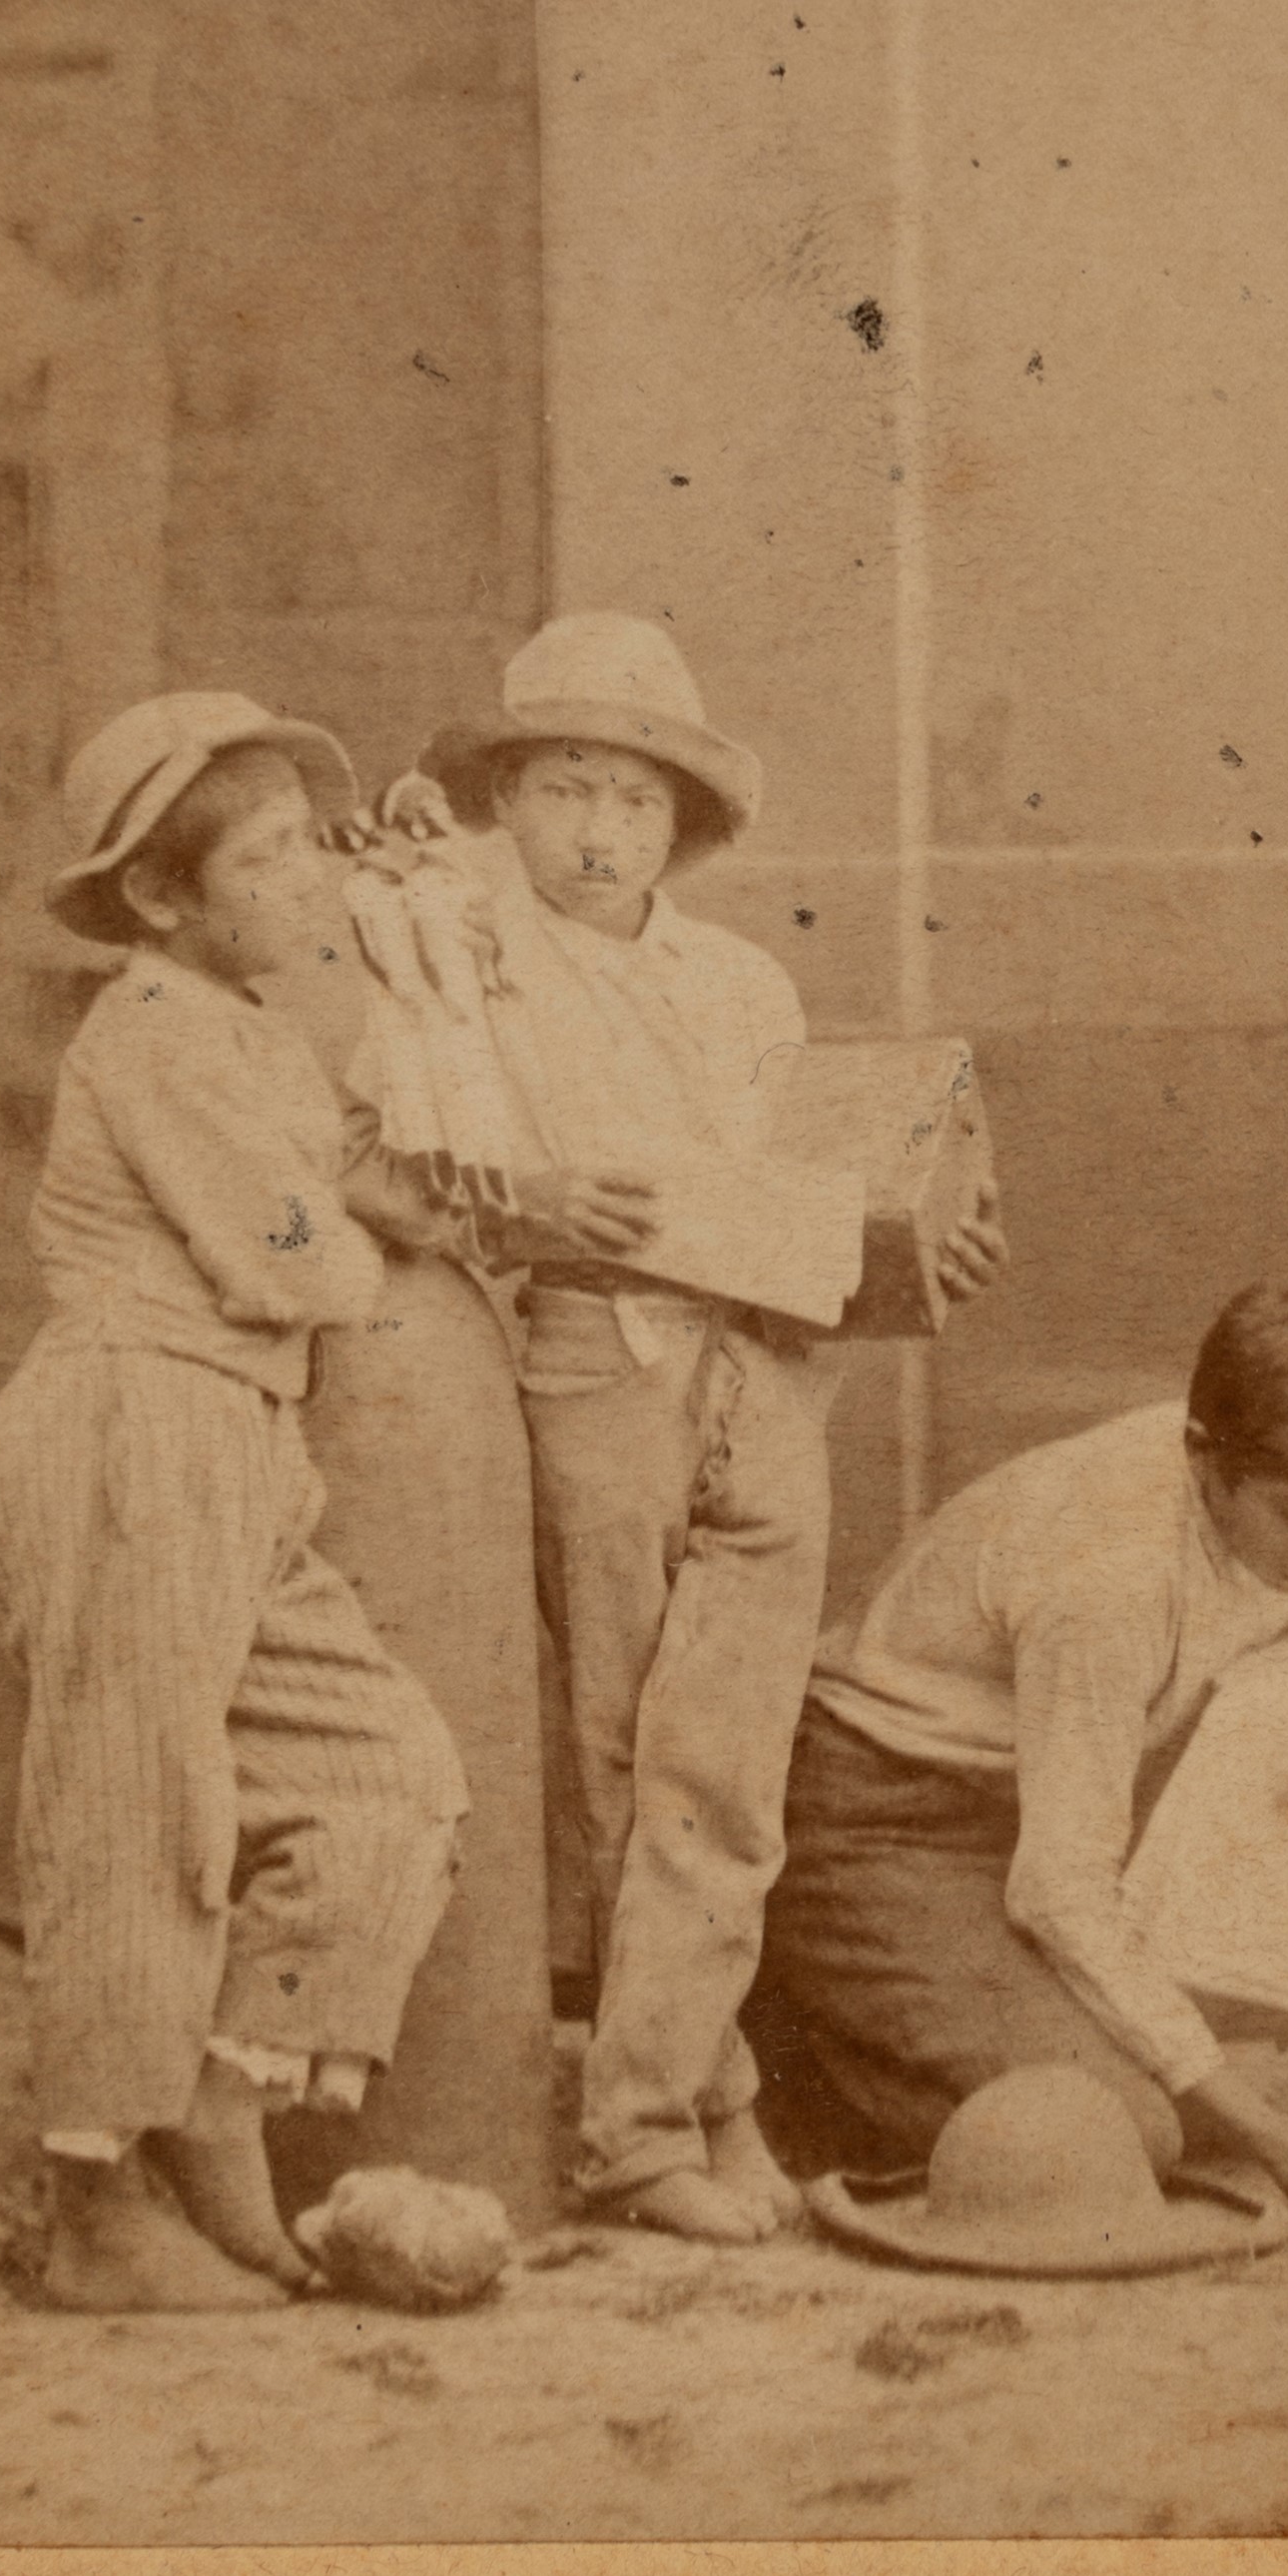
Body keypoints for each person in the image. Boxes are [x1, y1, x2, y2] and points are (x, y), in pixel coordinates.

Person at [403, 613, 1005, 2246]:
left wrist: (917, 1245)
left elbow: (807, 1211)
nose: (601, 831)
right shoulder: (456, 957)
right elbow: (398, 1155)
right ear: (503, 799)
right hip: (591, 1363)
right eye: (564, 789)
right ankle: (654, 2126)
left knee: (731, 1765)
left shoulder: (741, 984)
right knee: (622, 1756)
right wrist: (525, 1207)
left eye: (636, 799)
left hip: (768, 1372)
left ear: (683, 820)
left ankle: (696, 2100)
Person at [0, 696, 470, 2312]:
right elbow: (297, 1261)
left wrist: (380, 1196)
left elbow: (343, 1176)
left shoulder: (245, 1027)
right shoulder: (154, 1034)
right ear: (158, 898)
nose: (307, 879)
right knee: (138, 1808)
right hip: (130, 1432)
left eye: (309, 845)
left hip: (235, 1447)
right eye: (262, 860)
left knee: (389, 1773)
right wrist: (354, 1229)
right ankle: (97, 2208)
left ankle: (218, 2099)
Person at [745, 1282, 1288, 2216]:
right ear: (1202, 1454)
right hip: (869, 1822)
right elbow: (1057, 1891)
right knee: (1124, 2132)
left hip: (1012, 1806)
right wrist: (1263, 2132)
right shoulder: (1111, 1576)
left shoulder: (1244, 1470)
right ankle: (787, 2041)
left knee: (1263, 1961)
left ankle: (886, 2012)